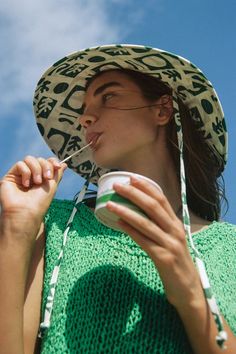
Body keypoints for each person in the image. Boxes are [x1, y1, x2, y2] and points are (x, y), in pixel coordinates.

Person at [0, 44, 235, 354]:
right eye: (84, 108)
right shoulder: (54, 224)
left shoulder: (229, 247)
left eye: (108, 96)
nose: (85, 117)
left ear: (162, 110)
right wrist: (16, 228)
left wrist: (190, 291)